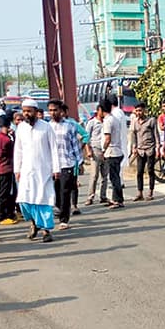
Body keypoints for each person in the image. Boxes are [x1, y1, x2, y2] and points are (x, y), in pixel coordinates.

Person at [14, 98, 59, 242]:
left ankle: (46, 231)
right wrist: (17, 169)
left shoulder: (46, 127)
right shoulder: (21, 128)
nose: (26, 114)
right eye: (24, 111)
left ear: (35, 112)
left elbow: (53, 149)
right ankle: (34, 224)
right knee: (25, 201)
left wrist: (56, 168)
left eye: (29, 111)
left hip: (44, 170)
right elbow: (18, 150)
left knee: (43, 200)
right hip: (26, 170)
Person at [48, 99, 81, 229]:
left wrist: (79, 162)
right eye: (50, 110)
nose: (53, 113)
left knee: (65, 191)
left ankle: (64, 219)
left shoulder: (69, 126)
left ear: (61, 111)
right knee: (56, 192)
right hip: (52, 165)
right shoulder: (47, 127)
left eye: (55, 110)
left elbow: (75, 145)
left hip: (67, 163)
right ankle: (59, 208)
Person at [0, 113, 18, 225]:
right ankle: (4, 215)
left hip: (0, 167)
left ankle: (7, 214)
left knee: (4, 192)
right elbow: (15, 151)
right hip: (7, 167)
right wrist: (14, 137)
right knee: (7, 193)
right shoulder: (7, 140)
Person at [100, 99, 125, 208]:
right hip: (117, 151)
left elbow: (107, 138)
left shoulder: (107, 121)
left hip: (111, 152)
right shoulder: (114, 119)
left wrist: (103, 150)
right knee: (115, 176)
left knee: (114, 177)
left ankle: (118, 200)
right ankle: (117, 198)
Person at [130, 102, 158, 201]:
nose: (138, 112)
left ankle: (150, 192)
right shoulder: (134, 122)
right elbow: (133, 135)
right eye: (137, 111)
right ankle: (140, 193)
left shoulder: (151, 120)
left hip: (150, 148)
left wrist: (158, 148)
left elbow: (156, 135)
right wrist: (134, 147)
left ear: (144, 110)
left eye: (140, 110)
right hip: (140, 150)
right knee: (139, 172)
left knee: (150, 171)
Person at [84, 107, 108, 206]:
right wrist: (88, 150)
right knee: (94, 175)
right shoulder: (92, 123)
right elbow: (86, 137)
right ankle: (90, 196)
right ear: (98, 111)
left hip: (105, 150)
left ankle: (103, 196)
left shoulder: (107, 122)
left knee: (105, 176)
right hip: (95, 150)